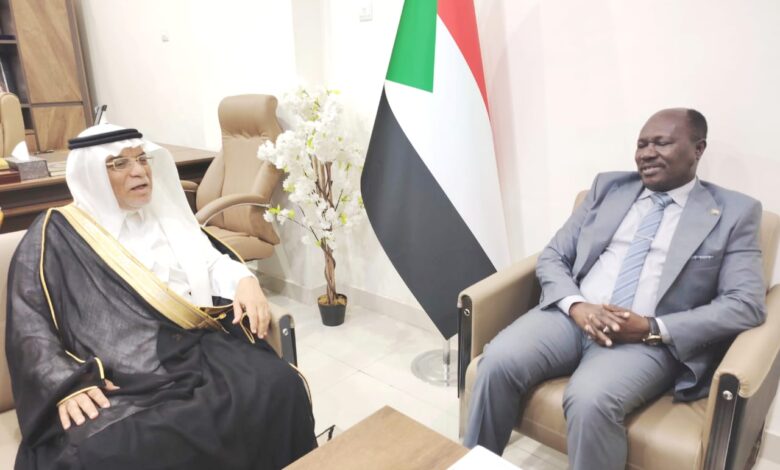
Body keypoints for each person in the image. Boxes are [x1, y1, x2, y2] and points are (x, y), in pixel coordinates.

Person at [463, 108, 766, 469]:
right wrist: (577, 306)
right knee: (496, 362)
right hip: (574, 316)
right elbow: (553, 256)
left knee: (589, 399)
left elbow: (745, 304)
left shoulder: (734, 212)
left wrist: (652, 328)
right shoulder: (609, 188)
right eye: (641, 144)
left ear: (698, 149)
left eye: (661, 143)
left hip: (645, 340)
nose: (646, 153)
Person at [6, 124, 316, 469]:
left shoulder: (164, 214)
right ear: (92, 174)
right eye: (120, 163)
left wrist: (245, 279)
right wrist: (62, 382)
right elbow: (28, 323)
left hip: (192, 345)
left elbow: (211, 262)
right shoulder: (57, 232)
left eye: (142, 159)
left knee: (279, 385)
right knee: (110, 450)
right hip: (117, 369)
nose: (139, 171)